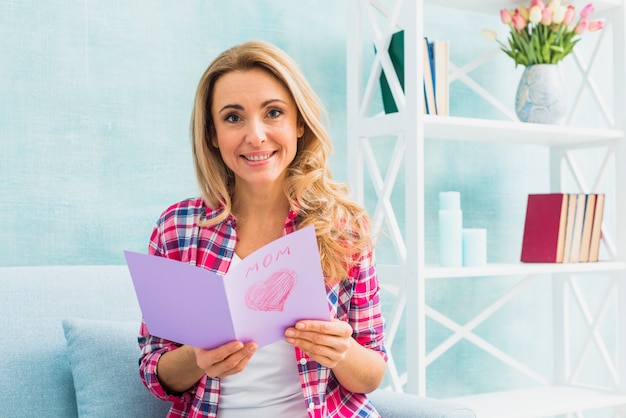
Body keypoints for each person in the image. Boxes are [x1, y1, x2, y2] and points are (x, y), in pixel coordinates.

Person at [138, 40, 387, 418]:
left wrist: (342, 352)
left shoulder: (342, 228)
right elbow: (153, 372)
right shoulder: (177, 229)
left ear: (299, 122)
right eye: (233, 118)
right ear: (212, 134)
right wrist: (198, 358)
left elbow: (373, 373)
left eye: (273, 113)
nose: (255, 136)